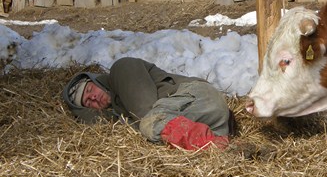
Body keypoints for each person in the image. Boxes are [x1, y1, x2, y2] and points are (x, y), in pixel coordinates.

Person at [62, 57, 236, 151]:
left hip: (198, 97)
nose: (93, 98)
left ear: (97, 81)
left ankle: (215, 146)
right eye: (87, 102)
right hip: (214, 124)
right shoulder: (118, 108)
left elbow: (147, 113)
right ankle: (218, 144)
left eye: (90, 90)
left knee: (150, 123)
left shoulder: (121, 69)